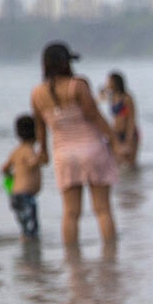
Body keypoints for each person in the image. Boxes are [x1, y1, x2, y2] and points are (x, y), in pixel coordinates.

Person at [30, 42, 119, 246]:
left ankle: (72, 263)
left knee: (70, 213)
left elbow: (40, 127)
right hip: (92, 149)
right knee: (103, 210)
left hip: (64, 155)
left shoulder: (37, 94)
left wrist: (43, 150)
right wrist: (114, 140)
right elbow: (93, 115)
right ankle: (111, 259)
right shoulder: (77, 85)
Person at [0, 115, 45, 238]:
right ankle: (30, 251)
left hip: (15, 194)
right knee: (31, 228)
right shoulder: (28, 150)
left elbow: (4, 168)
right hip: (26, 196)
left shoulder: (16, 151)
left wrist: (11, 177)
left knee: (25, 226)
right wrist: (39, 157)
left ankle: (25, 243)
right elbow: (31, 163)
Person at [103, 71, 139, 167]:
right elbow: (97, 99)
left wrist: (128, 139)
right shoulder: (112, 97)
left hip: (129, 134)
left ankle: (134, 182)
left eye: (109, 81)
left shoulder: (127, 98)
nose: (107, 83)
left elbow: (131, 119)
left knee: (131, 166)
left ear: (115, 82)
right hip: (116, 134)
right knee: (117, 165)